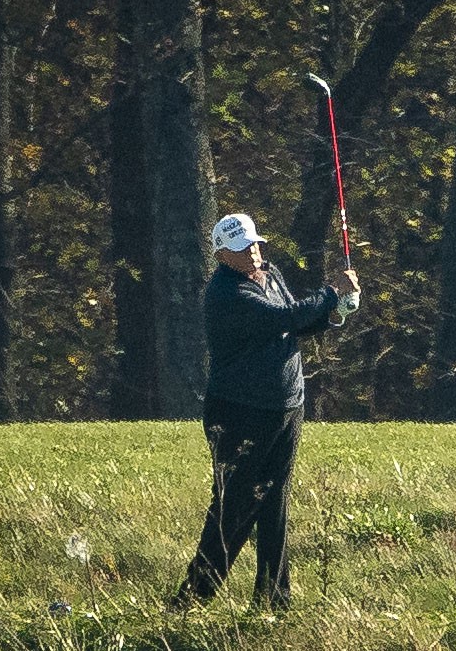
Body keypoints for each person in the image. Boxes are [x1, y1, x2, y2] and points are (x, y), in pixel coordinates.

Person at [171, 212, 360, 611]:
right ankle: (191, 600)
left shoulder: (269, 275)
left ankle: (274, 600)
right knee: (235, 505)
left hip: (286, 406)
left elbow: (296, 323)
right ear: (222, 254)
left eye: (255, 243)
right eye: (243, 248)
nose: (253, 253)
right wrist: (330, 293)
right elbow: (282, 318)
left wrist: (335, 312)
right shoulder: (226, 294)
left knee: (275, 502)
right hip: (240, 412)